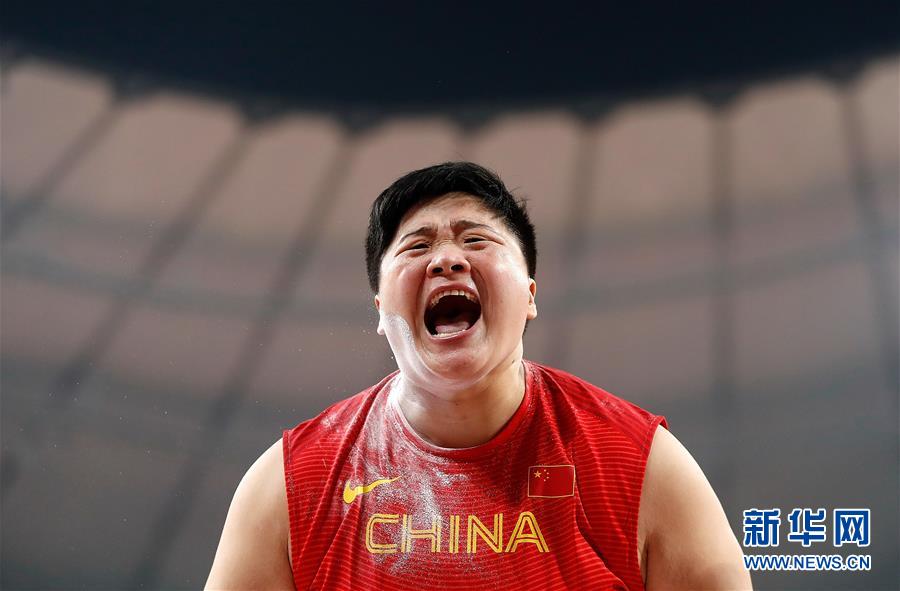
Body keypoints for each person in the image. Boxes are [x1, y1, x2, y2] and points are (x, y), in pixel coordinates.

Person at [205, 162, 752, 590]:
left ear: (530, 295)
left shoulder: (642, 467)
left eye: (475, 240)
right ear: (380, 310)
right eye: (417, 246)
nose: (447, 260)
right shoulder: (289, 486)